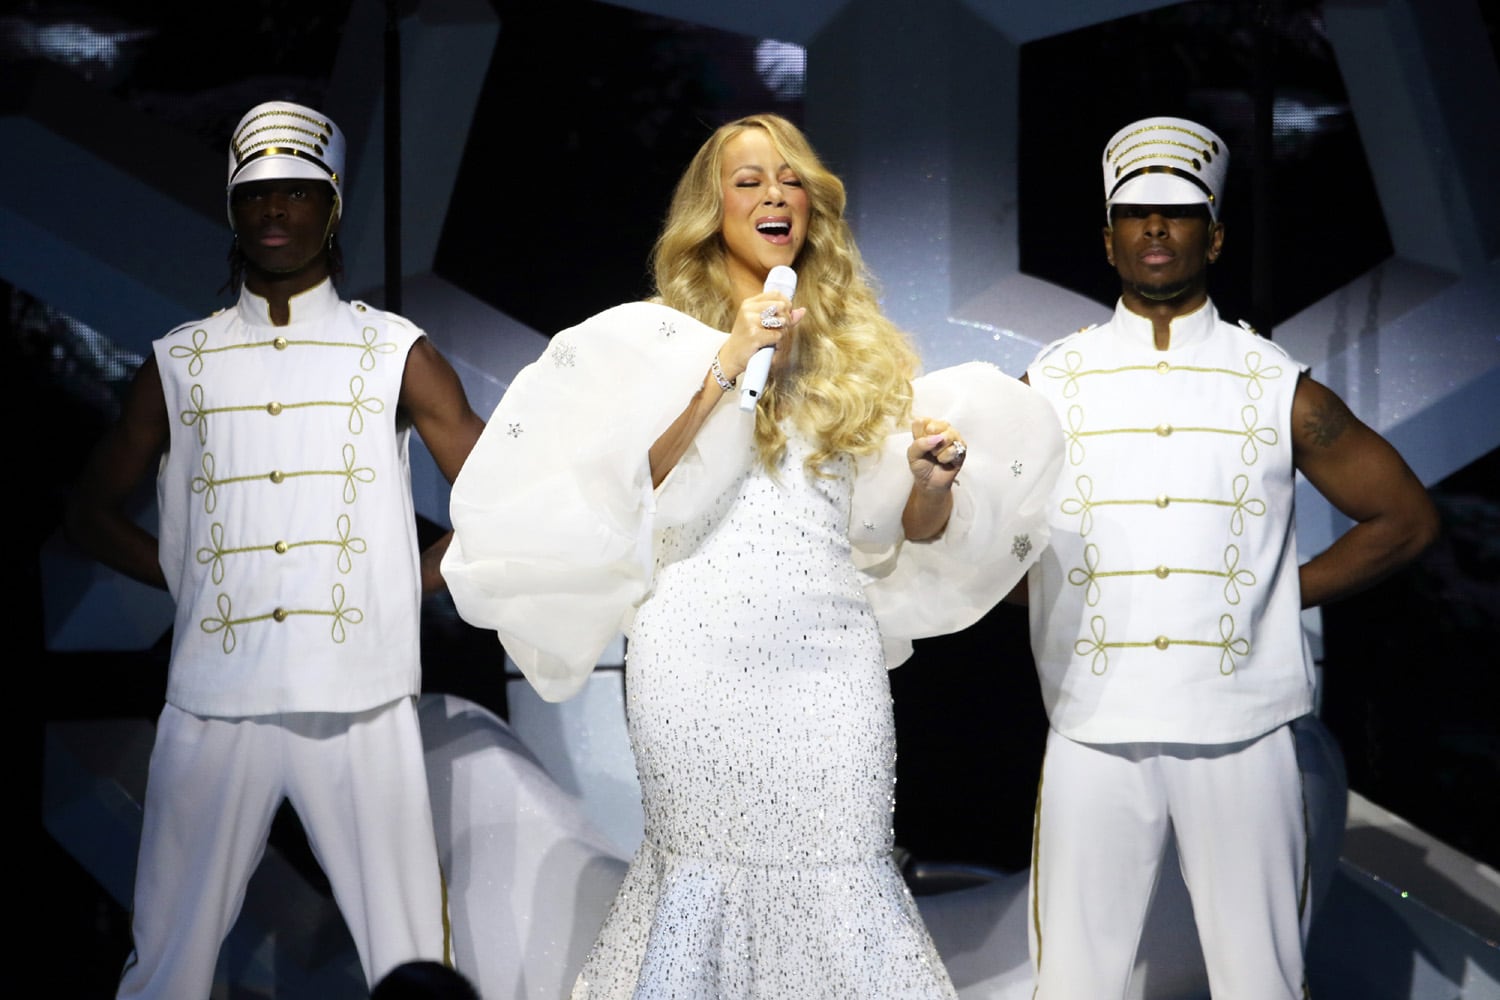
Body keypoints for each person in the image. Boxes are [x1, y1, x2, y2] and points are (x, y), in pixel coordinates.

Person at [440, 113, 1064, 998]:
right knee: (702, 874)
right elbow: (627, 494)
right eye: (749, 180)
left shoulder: (861, 353)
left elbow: (903, 532)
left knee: (845, 871)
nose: (775, 194)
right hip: (695, 654)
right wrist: (726, 366)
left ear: (812, 207)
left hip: (832, 663)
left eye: (791, 179)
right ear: (714, 210)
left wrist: (932, 483)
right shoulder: (647, 339)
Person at [64, 100, 486, 997]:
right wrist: (190, 583)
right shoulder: (181, 361)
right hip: (215, 699)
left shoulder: (393, 350)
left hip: (360, 696)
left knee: (411, 955)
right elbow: (88, 514)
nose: (274, 209)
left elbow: (502, 501)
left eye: (296, 191)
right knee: (166, 962)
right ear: (232, 207)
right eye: (255, 193)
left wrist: (407, 582)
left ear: (332, 205)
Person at [1016, 115, 1441, 998]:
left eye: (1178, 212)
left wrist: (1279, 598)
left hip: (1242, 725)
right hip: (1095, 719)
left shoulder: (1273, 382)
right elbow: (977, 538)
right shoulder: (1049, 382)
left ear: (1213, 235)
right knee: (1073, 983)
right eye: (1136, 213)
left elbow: (1403, 519)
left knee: (1261, 981)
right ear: (1108, 238)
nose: (1155, 228)